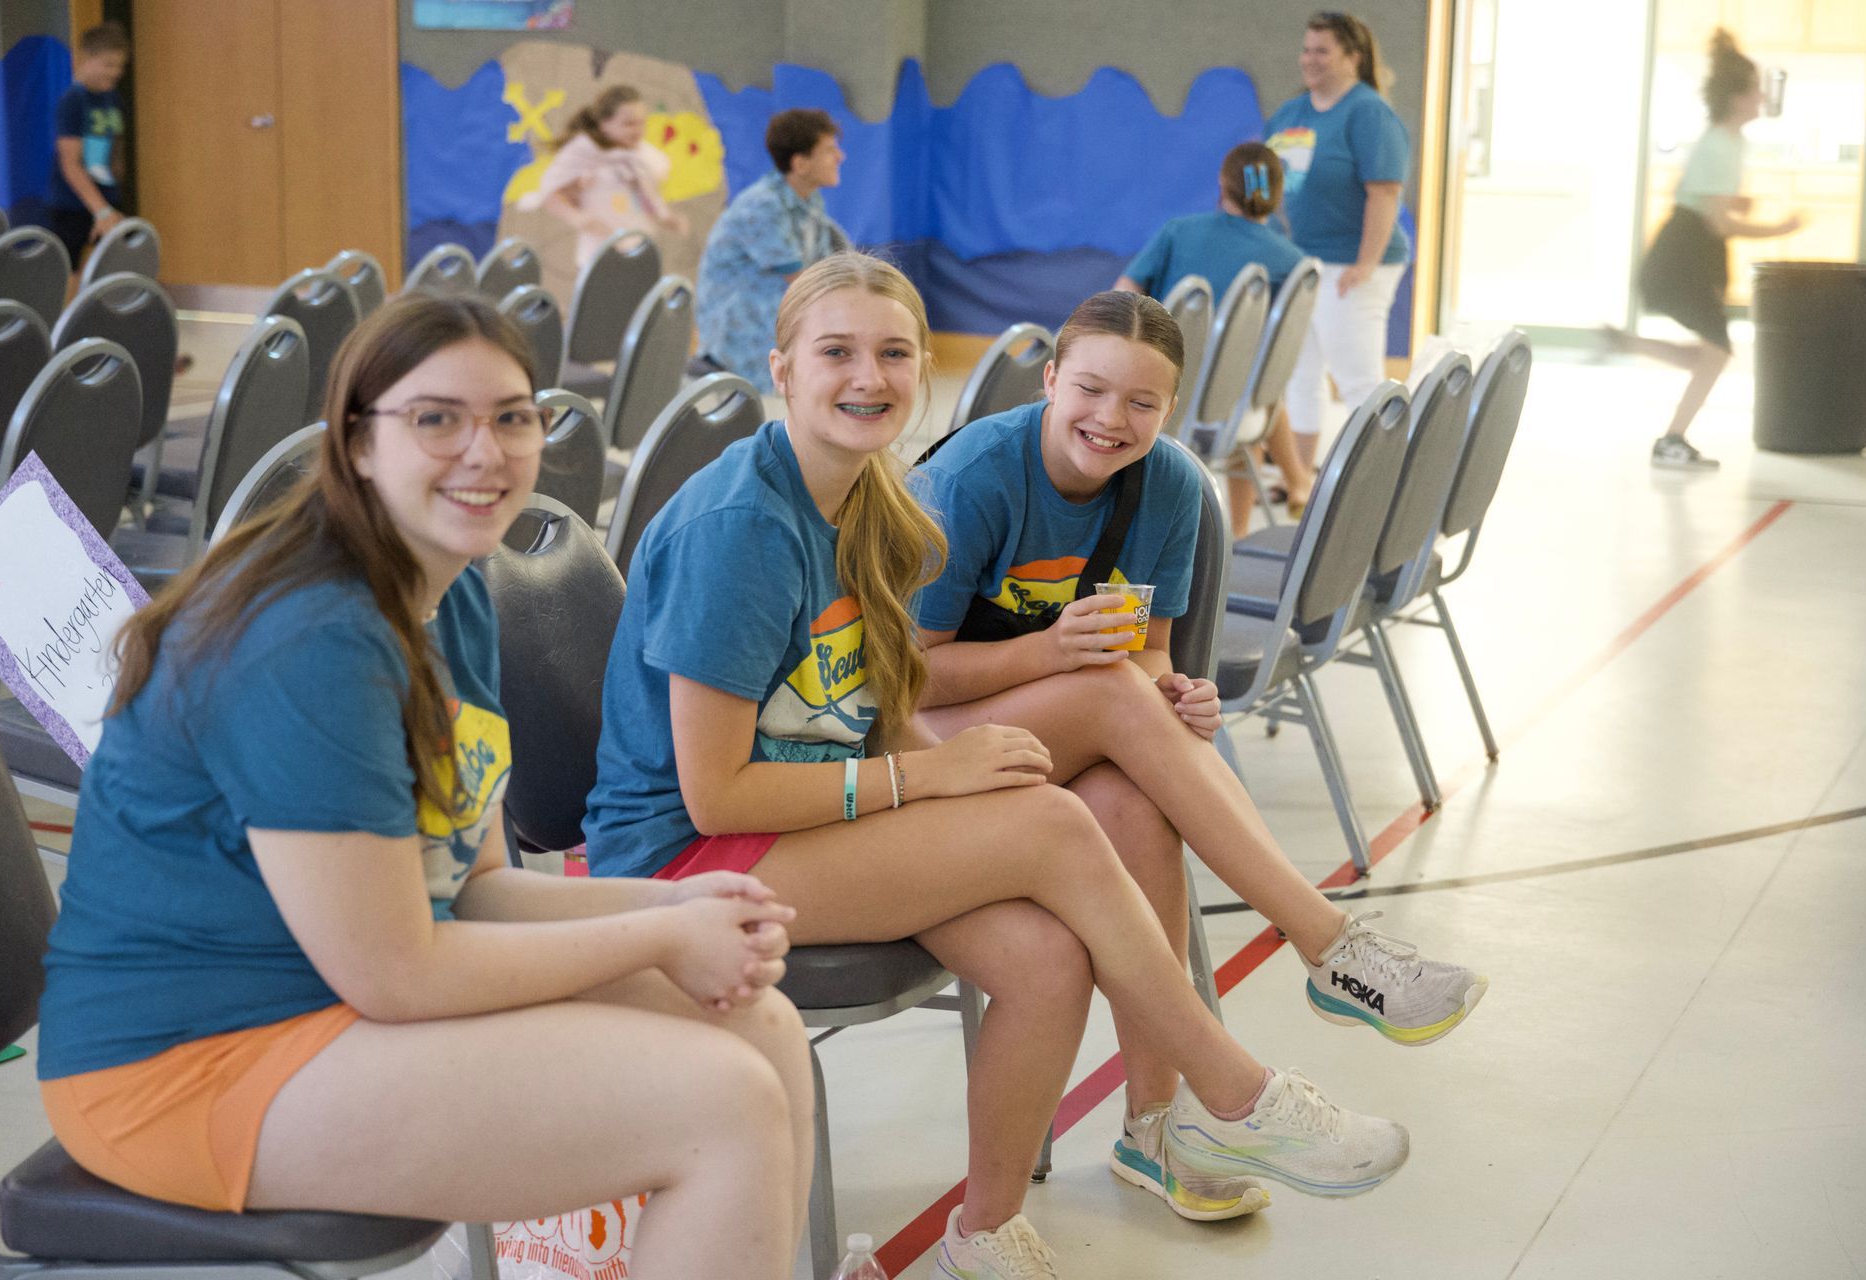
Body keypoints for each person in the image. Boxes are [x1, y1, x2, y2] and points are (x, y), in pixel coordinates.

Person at [587, 252, 1414, 1278]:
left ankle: (981, 1230)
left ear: (923, 368)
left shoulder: (872, 499)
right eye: (836, 351)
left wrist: (947, 761)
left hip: (818, 809)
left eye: (894, 353)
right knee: (1055, 824)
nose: (868, 376)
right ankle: (1233, 1091)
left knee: (1046, 955)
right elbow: (713, 792)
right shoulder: (742, 530)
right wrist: (924, 778)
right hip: (689, 855)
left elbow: (868, 702)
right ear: (783, 367)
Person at [34, 295, 813, 1280]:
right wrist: (660, 934)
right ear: (357, 443)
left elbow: (476, 883)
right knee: (722, 1104)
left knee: (758, 1022)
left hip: (334, 995)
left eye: (512, 416)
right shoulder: (312, 635)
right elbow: (399, 973)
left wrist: (673, 899)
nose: (484, 451)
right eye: (436, 418)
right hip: (189, 1059)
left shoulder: (457, 594)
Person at [911, 289, 1488, 1220]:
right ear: (1051, 379)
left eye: (1142, 403)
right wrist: (1062, 659)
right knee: (1110, 702)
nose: (1111, 419)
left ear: (1171, 408)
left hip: (1049, 723)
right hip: (924, 744)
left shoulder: (1169, 486)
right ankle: (1330, 944)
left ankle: (1155, 1131)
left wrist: (1174, 692)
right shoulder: (975, 478)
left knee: (1140, 797)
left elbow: (1141, 652)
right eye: (1091, 390)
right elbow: (909, 681)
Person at [1610, 29, 1801, 470]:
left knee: (1713, 352)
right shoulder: (1719, 144)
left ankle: (1631, 347)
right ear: (1736, 98)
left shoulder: (1731, 143)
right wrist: (1779, 228)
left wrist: (1732, 201)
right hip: (1682, 258)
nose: (1760, 97)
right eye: (1754, 90)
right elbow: (1717, 222)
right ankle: (1671, 438)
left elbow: (1696, 196)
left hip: (1693, 254)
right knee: (1716, 352)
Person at [1117, 139, 1313, 531]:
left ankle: (1297, 484)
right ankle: (1245, 528)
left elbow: (1121, 295)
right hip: (1231, 411)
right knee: (1250, 390)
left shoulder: (1178, 232)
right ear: (1278, 195)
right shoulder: (1291, 260)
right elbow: (1276, 352)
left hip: (1158, 397)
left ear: (1222, 186)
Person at [1265, 11, 1411, 469]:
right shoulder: (1291, 113)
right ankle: (1300, 479)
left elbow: (1384, 191)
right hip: (1303, 264)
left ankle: (1384, 478)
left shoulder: (1369, 113)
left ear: (1353, 57)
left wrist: (1364, 263)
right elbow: (1261, 178)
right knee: (1301, 373)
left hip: (1355, 264)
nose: (1309, 59)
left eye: (1322, 50)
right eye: (1306, 49)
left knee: (1357, 377)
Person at [694, 108, 849, 393]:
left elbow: (826, 269)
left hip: (778, 322)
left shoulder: (810, 201)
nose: (840, 157)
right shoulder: (763, 206)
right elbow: (804, 281)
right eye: (829, 150)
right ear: (800, 163)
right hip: (741, 337)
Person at [523, 84, 689, 274]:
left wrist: (665, 217)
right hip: (598, 257)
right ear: (604, 124)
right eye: (628, 124)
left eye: (641, 123)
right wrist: (579, 218)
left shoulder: (646, 156)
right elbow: (549, 193)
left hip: (640, 251)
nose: (637, 130)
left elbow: (650, 196)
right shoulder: (583, 151)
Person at [44, 21, 130, 273]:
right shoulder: (73, 101)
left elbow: (117, 148)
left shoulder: (113, 99)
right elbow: (70, 164)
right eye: (108, 64)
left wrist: (111, 204)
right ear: (86, 58)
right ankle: (70, 313)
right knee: (70, 270)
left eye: (120, 66)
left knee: (112, 268)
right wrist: (100, 211)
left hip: (108, 200)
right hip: (72, 205)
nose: (115, 72)